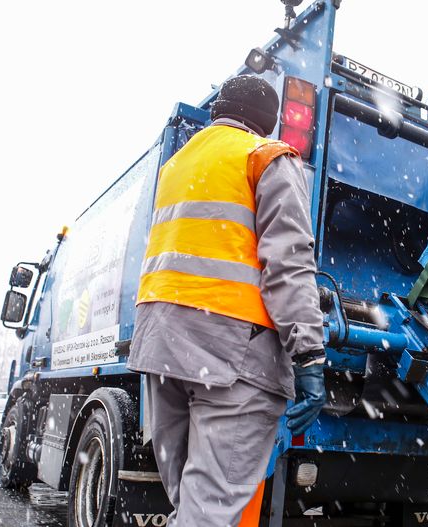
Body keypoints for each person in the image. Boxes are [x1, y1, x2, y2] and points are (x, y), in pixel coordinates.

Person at [128, 75, 326, 527]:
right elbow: (289, 265)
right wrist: (309, 356)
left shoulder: (177, 165)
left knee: (191, 505)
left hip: (161, 349)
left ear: (219, 110)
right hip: (234, 354)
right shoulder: (266, 157)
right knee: (210, 511)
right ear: (266, 121)